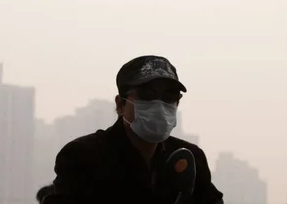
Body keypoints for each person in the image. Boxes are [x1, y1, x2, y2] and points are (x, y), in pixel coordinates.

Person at [43, 55, 224, 204]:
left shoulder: (190, 157)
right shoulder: (83, 156)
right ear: (120, 104)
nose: (159, 105)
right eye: (147, 94)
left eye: (170, 96)